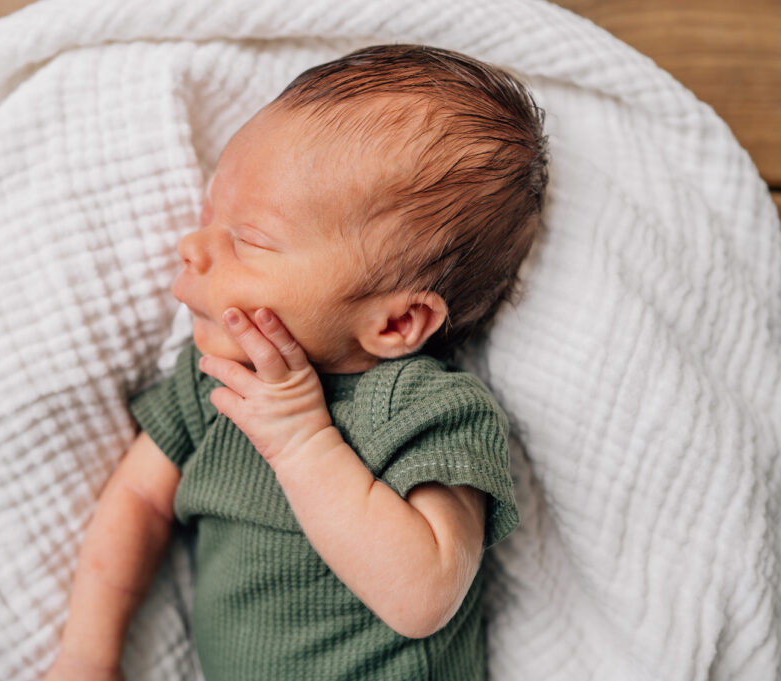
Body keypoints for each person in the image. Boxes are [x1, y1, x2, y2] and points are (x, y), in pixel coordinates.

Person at [45, 43, 548, 681]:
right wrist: (89, 655)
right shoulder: (215, 384)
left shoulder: (423, 410)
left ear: (395, 323)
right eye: (211, 214)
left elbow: (424, 598)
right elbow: (139, 503)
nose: (194, 246)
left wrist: (302, 439)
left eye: (249, 239)